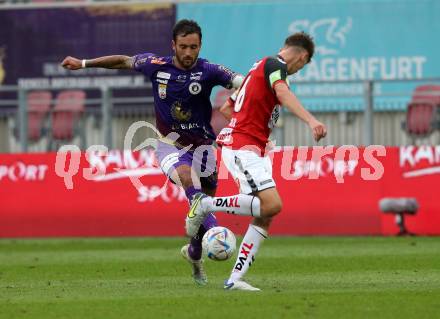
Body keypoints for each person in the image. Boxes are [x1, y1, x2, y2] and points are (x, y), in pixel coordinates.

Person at [61, 19, 244, 286]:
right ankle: (216, 231)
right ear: (174, 45)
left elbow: (241, 82)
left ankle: (194, 254)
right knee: (186, 178)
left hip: (204, 149)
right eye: (183, 46)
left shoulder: (209, 70)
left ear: (200, 45)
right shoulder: (156, 66)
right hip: (170, 144)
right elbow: (123, 61)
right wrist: (84, 64)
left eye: (193, 47)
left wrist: (245, 96)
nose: (189, 52)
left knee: (199, 219)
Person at [185, 32, 327, 291]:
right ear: (303, 57)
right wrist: (311, 120)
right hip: (243, 147)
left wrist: (259, 134)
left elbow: (228, 109)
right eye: (301, 67)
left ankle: (235, 280)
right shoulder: (276, 65)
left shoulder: (256, 71)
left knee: (265, 214)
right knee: (272, 204)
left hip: (251, 146)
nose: (296, 71)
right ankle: (205, 204)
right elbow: (282, 92)